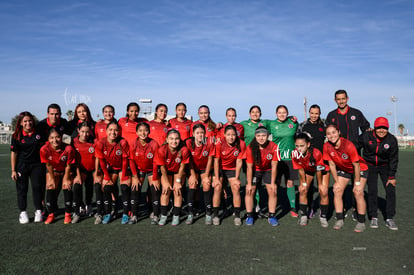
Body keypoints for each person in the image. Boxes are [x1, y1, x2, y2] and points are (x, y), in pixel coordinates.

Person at [323, 125, 368, 232]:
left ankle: (361, 221)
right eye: (328, 134)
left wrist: (357, 183)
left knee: (358, 192)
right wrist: (337, 181)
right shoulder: (326, 146)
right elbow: (332, 165)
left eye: (333, 132)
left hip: (360, 168)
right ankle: (339, 219)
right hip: (345, 169)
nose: (331, 135)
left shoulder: (348, 145)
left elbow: (356, 166)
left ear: (338, 132)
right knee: (337, 189)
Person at [359, 117, 399, 230]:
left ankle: (389, 218)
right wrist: (359, 162)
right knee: (372, 190)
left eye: (384, 128)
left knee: (390, 190)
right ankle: (373, 217)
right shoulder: (366, 136)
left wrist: (392, 176)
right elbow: (355, 146)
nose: (382, 130)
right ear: (374, 128)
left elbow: (394, 159)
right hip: (370, 166)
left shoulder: (391, 140)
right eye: (379, 128)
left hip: (385, 166)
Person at [10, 111, 44, 224]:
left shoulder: (39, 133)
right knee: (22, 189)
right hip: (22, 166)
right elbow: (14, 153)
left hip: (37, 165)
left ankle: (39, 211)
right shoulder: (16, 136)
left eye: (30, 120)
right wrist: (13, 170)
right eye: (25, 121)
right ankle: (23, 212)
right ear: (20, 123)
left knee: (37, 187)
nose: (28, 123)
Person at [95, 121, 131, 224]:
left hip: (122, 168)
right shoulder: (101, 143)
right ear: (106, 131)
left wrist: (124, 175)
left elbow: (125, 161)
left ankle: (125, 214)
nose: (113, 132)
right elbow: (101, 161)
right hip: (110, 169)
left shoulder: (122, 142)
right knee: (106, 187)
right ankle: (108, 213)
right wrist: (106, 176)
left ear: (119, 132)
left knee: (124, 187)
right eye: (110, 130)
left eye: (116, 130)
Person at [266, 105, 299, 217]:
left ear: (287, 113)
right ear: (276, 114)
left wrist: (292, 118)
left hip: (291, 158)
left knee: (290, 182)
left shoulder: (293, 123)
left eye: (284, 112)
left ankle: (293, 207)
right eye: (279, 112)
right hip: (277, 159)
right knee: (276, 183)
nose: (282, 114)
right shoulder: (271, 124)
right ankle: (275, 204)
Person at [296, 104, 328, 218]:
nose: (314, 115)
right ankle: (308, 208)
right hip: (306, 161)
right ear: (309, 113)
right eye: (312, 113)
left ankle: (322, 209)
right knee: (307, 187)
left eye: (317, 113)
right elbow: (297, 140)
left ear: (319, 114)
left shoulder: (323, 125)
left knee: (322, 187)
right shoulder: (303, 125)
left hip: (321, 160)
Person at [245, 126, 279, 226]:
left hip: (268, 170)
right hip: (255, 170)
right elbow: (249, 168)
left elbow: (274, 166)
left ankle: (272, 215)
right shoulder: (250, 147)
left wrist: (273, 183)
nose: (261, 138)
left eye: (264, 135)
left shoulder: (273, 146)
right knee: (249, 190)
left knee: (273, 190)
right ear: (255, 136)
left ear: (268, 136)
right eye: (259, 136)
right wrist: (249, 184)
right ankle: (249, 215)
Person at [292, 133, 328, 227]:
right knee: (303, 190)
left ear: (308, 145)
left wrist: (320, 184)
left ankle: (323, 216)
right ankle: (304, 216)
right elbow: (300, 169)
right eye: (297, 146)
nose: (299, 148)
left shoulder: (316, 153)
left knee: (323, 191)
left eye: (302, 146)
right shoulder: (295, 154)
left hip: (322, 170)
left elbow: (319, 170)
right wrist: (303, 183)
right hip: (308, 170)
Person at [213, 125, 247, 226]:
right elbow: (216, 161)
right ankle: (215, 215)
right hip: (220, 168)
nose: (231, 137)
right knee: (217, 187)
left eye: (233, 135)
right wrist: (217, 178)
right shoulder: (219, 143)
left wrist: (236, 178)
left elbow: (239, 161)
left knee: (236, 187)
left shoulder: (241, 143)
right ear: (224, 135)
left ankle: (237, 215)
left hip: (232, 169)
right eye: (228, 135)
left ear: (236, 135)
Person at [40, 128, 75, 224]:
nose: (54, 140)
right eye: (52, 138)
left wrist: (66, 178)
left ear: (61, 138)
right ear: (48, 139)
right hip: (53, 170)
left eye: (57, 137)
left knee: (66, 185)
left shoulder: (68, 148)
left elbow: (68, 165)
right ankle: (51, 214)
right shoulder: (44, 149)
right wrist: (51, 178)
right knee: (50, 185)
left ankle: (68, 214)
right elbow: (49, 165)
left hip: (65, 170)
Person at [156, 129, 190, 226]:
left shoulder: (184, 150)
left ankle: (176, 215)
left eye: (176, 139)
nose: (174, 141)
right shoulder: (162, 150)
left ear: (180, 140)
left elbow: (182, 167)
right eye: (171, 139)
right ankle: (163, 215)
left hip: (178, 172)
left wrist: (178, 181)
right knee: (165, 191)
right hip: (166, 172)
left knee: (177, 191)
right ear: (166, 140)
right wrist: (166, 182)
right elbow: (162, 168)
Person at [129, 122, 160, 224]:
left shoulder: (154, 144)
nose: (143, 133)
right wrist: (135, 177)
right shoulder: (133, 144)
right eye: (140, 131)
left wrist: (155, 177)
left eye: (145, 130)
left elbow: (156, 161)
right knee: (135, 187)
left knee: (154, 189)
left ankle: (155, 214)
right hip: (139, 169)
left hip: (151, 169)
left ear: (149, 131)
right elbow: (132, 161)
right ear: (137, 132)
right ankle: (134, 215)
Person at [185, 123, 215, 225]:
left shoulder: (209, 143)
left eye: (202, 132)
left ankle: (208, 213)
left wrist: (206, 175)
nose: (200, 135)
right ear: (193, 134)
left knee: (206, 184)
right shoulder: (189, 143)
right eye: (197, 133)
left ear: (205, 133)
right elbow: (188, 161)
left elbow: (210, 160)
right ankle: (190, 213)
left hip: (204, 168)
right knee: (192, 183)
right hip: (192, 168)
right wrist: (192, 175)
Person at [72, 122, 96, 223]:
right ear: (78, 131)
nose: (85, 134)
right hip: (79, 170)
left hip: (91, 169)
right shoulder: (72, 142)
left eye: (87, 132)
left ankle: (88, 205)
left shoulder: (93, 142)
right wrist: (77, 174)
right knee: (77, 187)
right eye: (82, 131)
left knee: (89, 188)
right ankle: (79, 207)